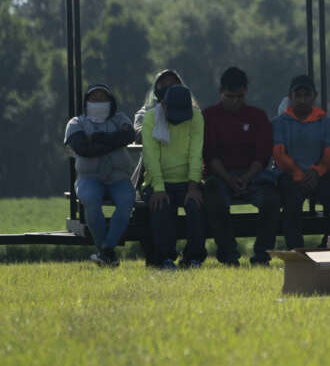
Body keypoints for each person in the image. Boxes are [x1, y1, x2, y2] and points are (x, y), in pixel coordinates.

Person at [201, 66, 279, 266]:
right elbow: (210, 154)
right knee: (213, 195)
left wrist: (247, 177)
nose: (235, 101)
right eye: (230, 96)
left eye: (239, 96)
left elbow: (262, 154)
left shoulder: (257, 116)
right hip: (220, 176)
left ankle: (262, 255)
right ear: (220, 91)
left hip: (253, 176)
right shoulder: (208, 117)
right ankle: (228, 254)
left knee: (271, 199)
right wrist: (228, 178)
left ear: (246, 92)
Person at [273, 74, 330, 250]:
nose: (302, 100)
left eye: (306, 95)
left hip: (319, 175)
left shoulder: (328, 124)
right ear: (290, 96)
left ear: (314, 96)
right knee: (291, 206)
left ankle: (327, 248)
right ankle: (297, 253)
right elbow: (279, 154)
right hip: (289, 175)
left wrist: (315, 172)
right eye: (297, 95)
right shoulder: (278, 124)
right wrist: (298, 174)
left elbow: (329, 156)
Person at [64, 83, 136, 266]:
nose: (98, 101)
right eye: (93, 98)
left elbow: (128, 136)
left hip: (119, 177)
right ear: (86, 102)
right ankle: (105, 249)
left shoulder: (120, 119)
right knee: (90, 200)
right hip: (89, 177)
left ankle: (106, 249)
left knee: (126, 202)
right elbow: (82, 148)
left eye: (102, 98)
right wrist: (112, 140)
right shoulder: (76, 123)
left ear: (111, 101)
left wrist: (95, 139)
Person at [142, 84, 207, 269]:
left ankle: (194, 257)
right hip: (157, 181)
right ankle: (165, 258)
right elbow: (151, 157)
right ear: (163, 105)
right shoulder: (150, 118)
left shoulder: (197, 117)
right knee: (160, 205)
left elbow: (196, 154)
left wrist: (193, 187)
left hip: (187, 181)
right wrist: (159, 188)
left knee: (196, 206)